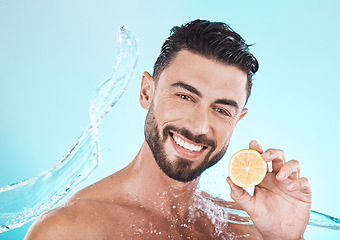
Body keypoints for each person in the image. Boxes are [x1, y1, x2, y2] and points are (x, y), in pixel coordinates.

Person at [25, 19, 312, 239]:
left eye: (222, 110)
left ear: (238, 120)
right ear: (146, 92)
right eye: (185, 96)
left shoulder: (242, 227)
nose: (199, 125)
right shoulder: (71, 230)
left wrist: (285, 237)